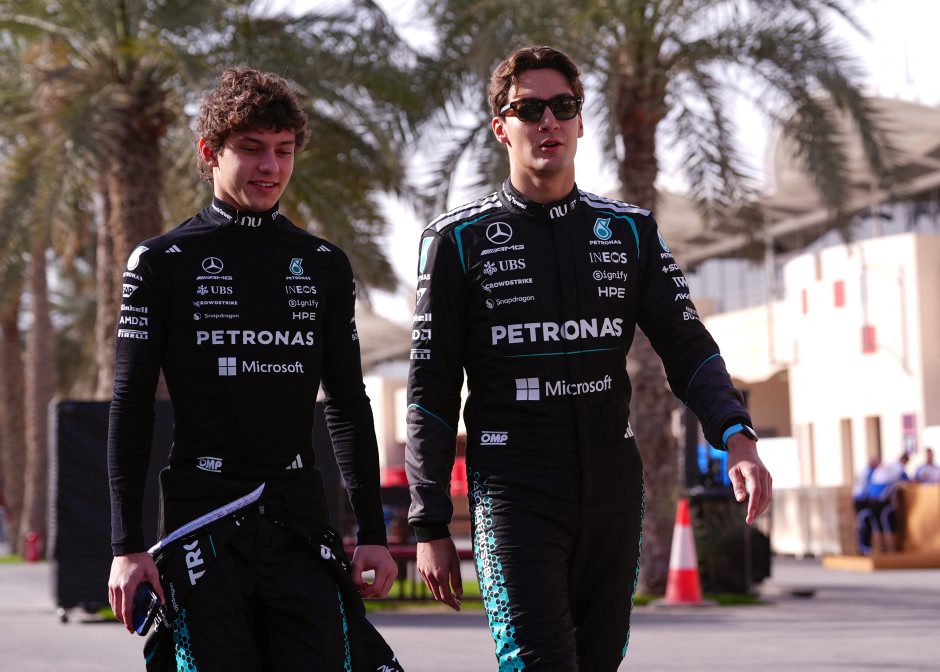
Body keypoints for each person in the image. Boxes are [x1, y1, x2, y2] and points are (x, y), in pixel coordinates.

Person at [405, 45, 772, 670]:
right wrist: (429, 523)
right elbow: (430, 392)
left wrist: (737, 437)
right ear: (501, 128)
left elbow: (688, 347)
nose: (547, 121)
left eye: (563, 106)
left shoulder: (629, 230)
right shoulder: (456, 241)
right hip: (513, 488)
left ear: (580, 121)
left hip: (611, 484)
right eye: (529, 109)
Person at [107, 66, 402, 671]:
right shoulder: (161, 262)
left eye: (283, 151)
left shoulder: (322, 263)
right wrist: (126, 546)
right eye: (251, 149)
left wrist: (372, 532)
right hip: (202, 521)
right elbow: (131, 406)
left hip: (297, 520)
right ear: (209, 152)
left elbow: (348, 404)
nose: (270, 166)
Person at [857, 453, 910, 553]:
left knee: (877, 524)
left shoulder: (885, 467)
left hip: (871, 498)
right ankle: (890, 548)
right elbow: (906, 481)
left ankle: (882, 548)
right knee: (886, 523)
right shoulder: (898, 468)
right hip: (880, 500)